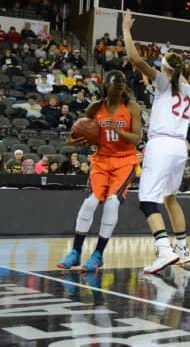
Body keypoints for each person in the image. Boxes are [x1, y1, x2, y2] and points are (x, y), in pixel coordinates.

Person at [123, 10, 190, 274]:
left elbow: (134, 58)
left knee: (146, 200)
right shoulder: (187, 89)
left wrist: (127, 30)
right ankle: (183, 249)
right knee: (170, 198)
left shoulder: (164, 82)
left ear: (165, 68)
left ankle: (164, 250)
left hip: (162, 144)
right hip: (179, 148)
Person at [57, 71, 142, 272]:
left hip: (124, 162)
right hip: (101, 161)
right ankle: (76, 252)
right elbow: (79, 132)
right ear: (106, 85)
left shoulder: (132, 107)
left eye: (123, 81)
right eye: (115, 81)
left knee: (112, 204)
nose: (120, 84)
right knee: (90, 202)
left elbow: (137, 139)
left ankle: (98, 254)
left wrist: (119, 130)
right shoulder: (95, 108)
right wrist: (73, 141)